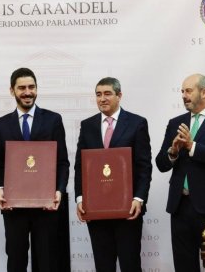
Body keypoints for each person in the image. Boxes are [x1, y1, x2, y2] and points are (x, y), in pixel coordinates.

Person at [0, 68, 70, 272]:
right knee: (16, 261)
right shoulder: (1, 124)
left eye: (31, 87)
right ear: (12, 91)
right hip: (14, 206)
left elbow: (62, 162)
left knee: (47, 261)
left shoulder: (53, 120)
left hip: (46, 206)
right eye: (22, 88)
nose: (27, 92)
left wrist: (59, 190)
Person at [155, 74, 205, 272]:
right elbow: (160, 164)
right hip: (180, 207)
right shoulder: (176, 122)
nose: (184, 95)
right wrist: (173, 152)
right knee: (184, 267)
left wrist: (192, 146)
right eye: (182, 91)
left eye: (188, 91)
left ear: (204, 92)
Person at [74, 77, 152, 272]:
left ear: (119, 95)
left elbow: (144, 166)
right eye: (98, 94)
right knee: (103, 265)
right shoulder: (88, 125)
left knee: (130, 264)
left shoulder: (137, 123)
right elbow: (80, 166)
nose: (102, 99)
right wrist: (80, 198)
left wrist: (139, 198)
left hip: (128, 209)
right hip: (97, 210)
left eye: (107, 93)